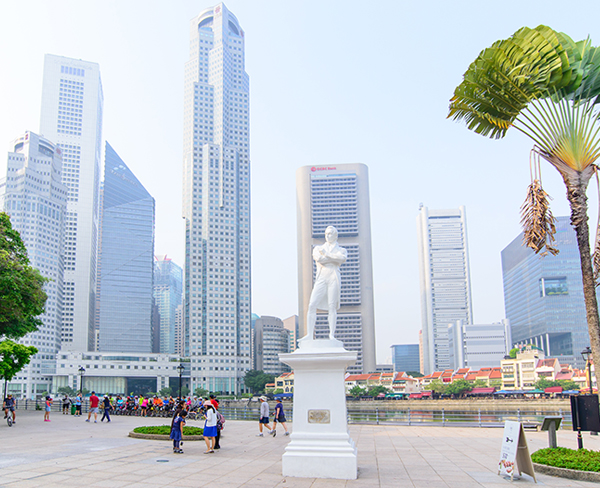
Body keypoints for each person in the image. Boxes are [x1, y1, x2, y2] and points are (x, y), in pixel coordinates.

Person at [303, 226, 347, 341]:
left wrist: (327, 255)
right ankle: (309, 335)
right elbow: (320, 259)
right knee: (312, 304)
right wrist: (333, 259)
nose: (328, 236)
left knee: (332, 306)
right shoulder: (318, 248)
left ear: (335, 235)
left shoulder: (341, 250)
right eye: (326, 233)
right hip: (322, 276)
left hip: (333, 276)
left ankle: (332, 335)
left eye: (330, 233)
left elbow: (341, 259)